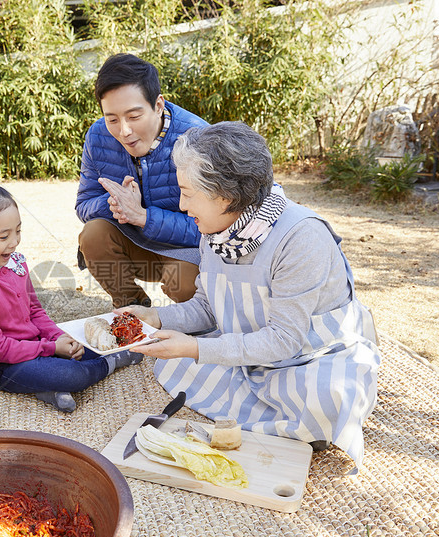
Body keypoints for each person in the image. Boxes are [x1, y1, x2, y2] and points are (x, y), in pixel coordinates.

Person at [125, 122, 380, 471]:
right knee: (171, 362)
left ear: (225, 196)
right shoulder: (216, 229)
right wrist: (155, 318)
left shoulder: (301, 238)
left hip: (308, 358)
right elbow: (207, 306)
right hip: (251, 350)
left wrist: (196, 348)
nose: (183, 205)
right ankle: (280, 419)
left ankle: (301, 423)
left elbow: (285, 339)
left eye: (188, 192)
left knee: (327, 398)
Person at [0, 184, 143, 413]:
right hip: (5, 364)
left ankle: (48, 388)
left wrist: (60, 337)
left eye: (18, 231)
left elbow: (35, 311)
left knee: (83, 345)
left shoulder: (15, 261)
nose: (14, 242)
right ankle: (109, 363)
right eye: (3, 236)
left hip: (36, 345)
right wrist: (51, 348)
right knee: (74, 374)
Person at [76, 53, 208, 308]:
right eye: (112, 118)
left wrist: (144, 217)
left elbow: (212, 226)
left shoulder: (197, 137)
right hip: (134, 243)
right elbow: (84, 205)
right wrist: (117, 201)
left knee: (185, 284)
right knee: (92, 235)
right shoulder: (97, 136)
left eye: (134, 116)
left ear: (158, 105)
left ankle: (196, 317)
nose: (123, 131)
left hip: (184, 247)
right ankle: (132, 309)